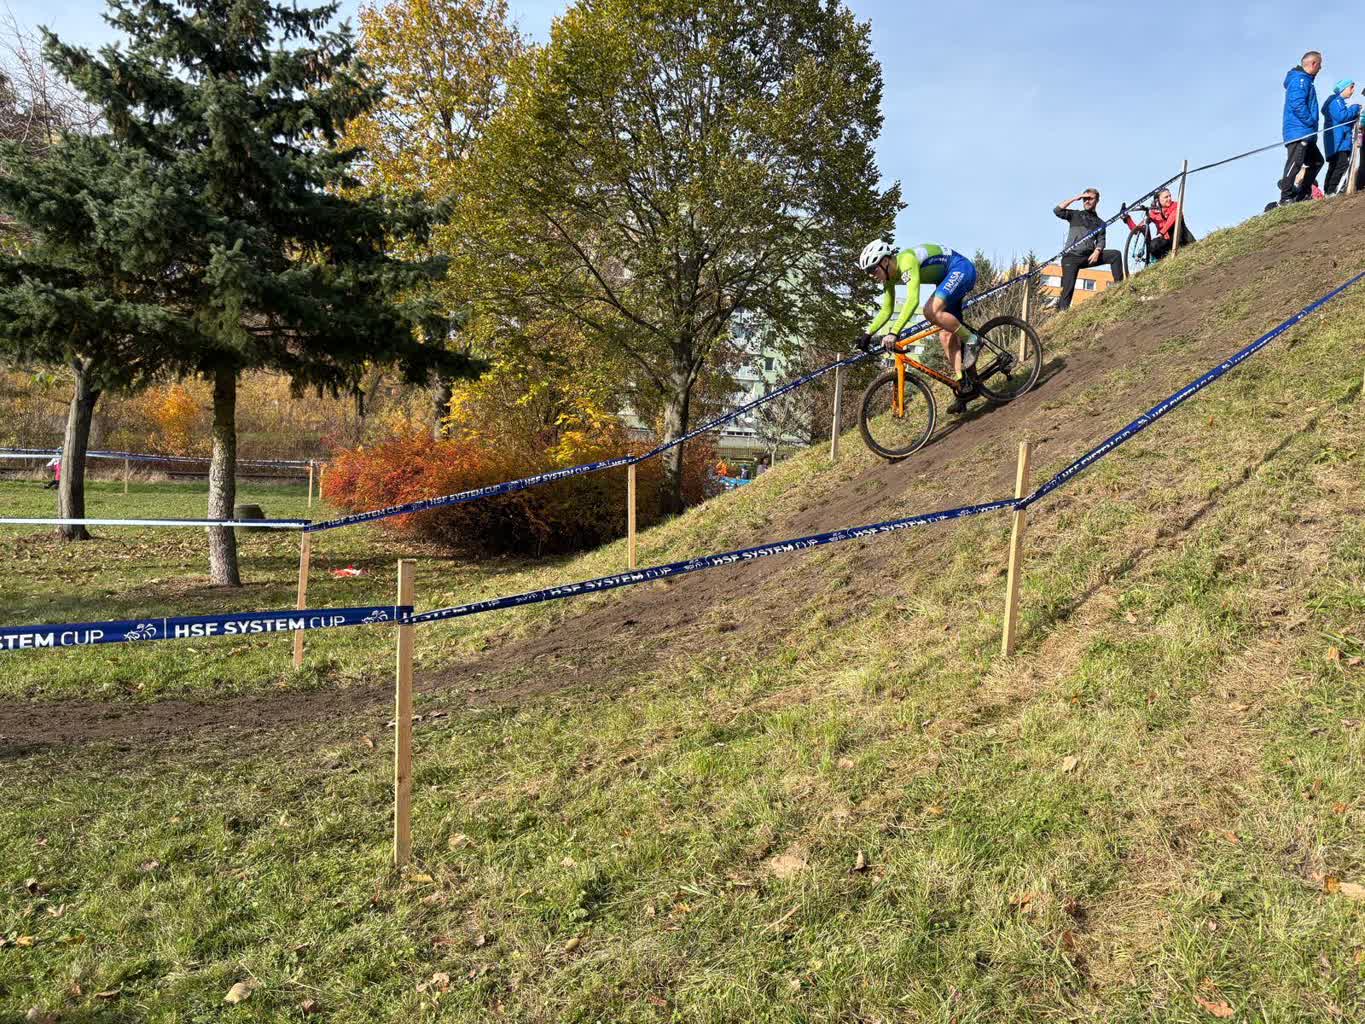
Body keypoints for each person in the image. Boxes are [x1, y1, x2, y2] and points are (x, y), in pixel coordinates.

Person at [855, 239, 982, 413]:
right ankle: (965, 387)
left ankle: (972, 339)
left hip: (960, 269)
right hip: (945, 279)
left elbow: (913, 300)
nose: (871, 275)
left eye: (872, 269)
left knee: (930, 310)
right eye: (868, 272)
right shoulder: (889, 279)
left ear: (885, 261)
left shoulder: (906, 260)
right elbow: (887, 310)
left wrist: (894, 332)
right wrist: (867, 334)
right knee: (946, 336)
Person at [1053, 189, 1124, 311]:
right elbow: (1057, 210)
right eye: (1085, 199)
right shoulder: (1075, 214)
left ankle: (1121, 289)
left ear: (1097, 201)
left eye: (1090, 198)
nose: (1087, 201)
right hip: (1071, 257)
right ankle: (1062, 313)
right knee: (1068, 289)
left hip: (1089, 257)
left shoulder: (1100, 223)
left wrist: (1097, 251)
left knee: (1115, 255)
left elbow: (1101, 240)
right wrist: (1076, 197)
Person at [1279, 51, 1323, 205]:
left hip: (1306, 131)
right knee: (1295, 162)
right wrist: (1310, 121)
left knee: (1317, 161)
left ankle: (1303, 193)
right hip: (1299, 131)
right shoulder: (1299, 80)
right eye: (1319, 64)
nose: (1321, 68)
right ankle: (1285, 197)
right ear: (1313, 64)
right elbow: (1297, 103)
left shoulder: (1305, 80)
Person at [1120, 188, 1195, 263]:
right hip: (1168, 243)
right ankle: (1157, 261)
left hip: (1183, 239)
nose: (1169, 199)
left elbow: (1173, 218)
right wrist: (1127, 219)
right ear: (1158, 200)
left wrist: (1162, 232)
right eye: (1166, 197)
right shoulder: (1154, 213)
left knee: (1175, 224)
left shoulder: (1175, 205)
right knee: (1152, 243)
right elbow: (1137, 230)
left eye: (1170, 196)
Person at [1322, 79, 1361, 195]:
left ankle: (1328, 191)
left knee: (1334, 165)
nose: (1353, 91)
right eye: (1351, 87)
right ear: (1343, 88)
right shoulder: (1336, 101)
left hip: (1338, 140)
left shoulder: (1337, 102)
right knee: (1341, 164)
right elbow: (1342, 116)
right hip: (1339, 141)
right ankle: (1332, 190)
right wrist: (1354, 108)